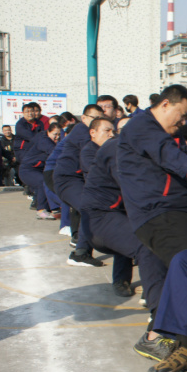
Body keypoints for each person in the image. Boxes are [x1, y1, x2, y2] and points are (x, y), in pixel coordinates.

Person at [117, 85, 187, 359]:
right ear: (165, 104)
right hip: (158, 214)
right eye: (182, 114)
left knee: (182, 269)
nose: (183, 121)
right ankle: (166, 339)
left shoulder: (168, 132)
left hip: (175, 212)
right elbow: (168, 155)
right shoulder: (143, 126)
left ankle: (165, 335)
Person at [83, 117, 170, 306]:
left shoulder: (141, 151)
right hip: (100, 217)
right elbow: (131, 187)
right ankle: (158, 311)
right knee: (147, 245)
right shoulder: (115, 150)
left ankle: (155, 292)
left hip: (119, 213)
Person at [54, 103, 106, 267]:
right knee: (88, 207)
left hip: (76, 179)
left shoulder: (87, 131)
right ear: (84, 118)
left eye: (100, 118)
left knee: (88, 207)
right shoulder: (82, 131)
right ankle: (79, 253)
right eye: (93, 118)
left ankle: (80, 246)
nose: (96, 121)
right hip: (67, 179)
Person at [20, 122, 61, 219]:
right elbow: (54, 152)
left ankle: (51, 207)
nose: (57, 137)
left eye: (59, 135)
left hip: (38, 170)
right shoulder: (44, 141)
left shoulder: (53, 141)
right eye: (55, 134)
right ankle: (41, 210)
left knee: (49, 182)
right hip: (27, 170)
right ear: (48, 132)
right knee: (42, 182)